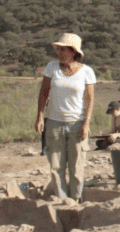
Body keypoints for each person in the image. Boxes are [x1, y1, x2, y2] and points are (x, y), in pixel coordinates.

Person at [35, 34, 97, 201]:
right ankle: (62, 199)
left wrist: (86, 123)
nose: (59, 52)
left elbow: (90, 100)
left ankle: (76, 198)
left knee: (76, 165)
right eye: (58, 49)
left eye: (63, 49)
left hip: (77, 123)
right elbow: (44, 93)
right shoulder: (51, 68)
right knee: (56, 166)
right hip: (54, 123)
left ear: (73, 51)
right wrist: (40, 116)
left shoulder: (86, 72)